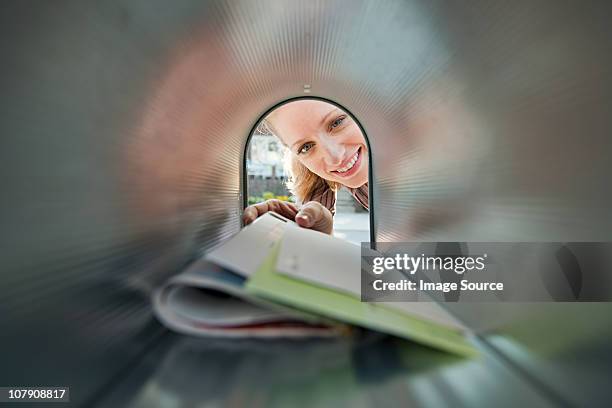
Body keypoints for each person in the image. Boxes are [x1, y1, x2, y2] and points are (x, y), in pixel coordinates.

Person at [243, 100, 369, 234]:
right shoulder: (315, 175)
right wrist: (312, 237)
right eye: (306, 147)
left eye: (337, 123)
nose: (335, 158)